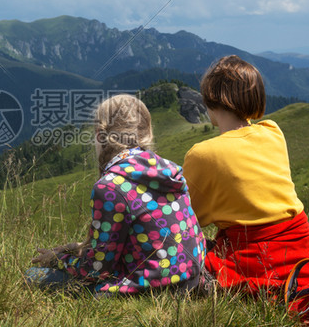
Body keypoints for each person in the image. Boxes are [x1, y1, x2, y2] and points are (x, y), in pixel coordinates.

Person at [27, 94, 206, 296]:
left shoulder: (110, 186)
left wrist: (58, 260)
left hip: (147, 290)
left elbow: (96, 270)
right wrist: (77, 248)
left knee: (32, 274)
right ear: (147, 133)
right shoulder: (171, 171)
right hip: (189, 282)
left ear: (99, 135)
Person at [182, 55, 309, 294]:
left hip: (253, 260)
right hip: (303, 259)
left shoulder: (202, 154)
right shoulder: (273, 131)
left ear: (211, 99)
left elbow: (186, 221)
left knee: (175, 252)